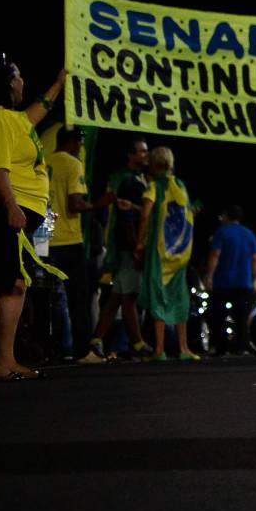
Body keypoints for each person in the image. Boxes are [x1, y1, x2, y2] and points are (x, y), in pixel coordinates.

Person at [0, 59, 63, 379]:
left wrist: (60, 83)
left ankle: (6, 358)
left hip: (19, 214)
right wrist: (10, 205)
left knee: (15, 284)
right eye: (19, 76)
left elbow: (41, 109)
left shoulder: (17, 120)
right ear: (7, 83)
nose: (23, 82)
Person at [82, 138, 151, 362]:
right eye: (141, 152)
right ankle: (138, 344)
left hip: (120, 246)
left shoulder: (137, 179)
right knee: (128, 297)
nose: (145, 156)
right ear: (130, 156)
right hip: (125, 247)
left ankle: (95, 342)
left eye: (146, 152)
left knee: (116, 298)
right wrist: (136, 246)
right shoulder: (129, 181)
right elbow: (128, 216)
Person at [137, 145, 197, 361]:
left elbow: (145, 214)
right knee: (180, 296)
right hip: (180, 252)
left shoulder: (154, 186)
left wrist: (139, 243)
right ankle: (184, 348)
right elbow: (188, 214)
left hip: (159, 251)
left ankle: (159, 349)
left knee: (157, 296)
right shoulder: (180, 185)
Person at [44, 127, 93, 360]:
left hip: (44, 238)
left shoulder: (43, 161)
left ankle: (46, 348)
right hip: (70, 238)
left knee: (45, 299)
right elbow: (76, 204)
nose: (81, 147)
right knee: (78, 298)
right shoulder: (73, 164)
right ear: (72, 142)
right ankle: (83, 351)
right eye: (80, 141)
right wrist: (101, 203)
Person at [204, 206, 256, 355]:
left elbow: (215, 254)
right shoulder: (249, 234)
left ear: (227, 216)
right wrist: (253, 277)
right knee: (241, 317)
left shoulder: (221, 232)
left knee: (218, 316)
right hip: (244, 282)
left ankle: (221, 348)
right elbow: (255, 259)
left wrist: (209, 276)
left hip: (223, 281)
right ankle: (241, 347)